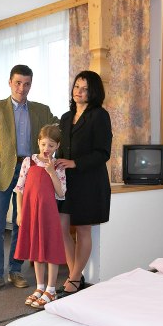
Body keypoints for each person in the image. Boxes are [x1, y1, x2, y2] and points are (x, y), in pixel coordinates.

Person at [0, 64, 58, 293]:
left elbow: (59, 129)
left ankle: (15, 270)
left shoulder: (42, 110)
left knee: (22, 224)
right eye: (18, 83)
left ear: (31, 84)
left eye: (27, 84)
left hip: (30, 173)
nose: (22, 88)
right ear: (10, 83)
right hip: (1, 173)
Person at [55, 70, 113, 295]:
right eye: (77, 86)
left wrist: (75, 163)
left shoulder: (100, 116)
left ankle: (73, 278)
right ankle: (75, 275)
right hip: (66, 183)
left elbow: (103, 152)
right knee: (62, 228)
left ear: (94, 92)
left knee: (82, 230)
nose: (78, 91)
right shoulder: (65, 117)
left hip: (89, 181)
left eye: (85, 88)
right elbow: (61, 148)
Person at [14, 124, 67, 309]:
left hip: (49, 214)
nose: (46, 148)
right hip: (31, 213)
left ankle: (51, 290)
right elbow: (19, 189)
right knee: (36, 251)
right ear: (38, 142)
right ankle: (40, 287)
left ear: (57, 146)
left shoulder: (57, 166)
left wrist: (51, 172)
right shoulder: (29, 162)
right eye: (44, 144)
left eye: (51, 145)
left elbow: (61, 193)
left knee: (50, 249)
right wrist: (20, 212)